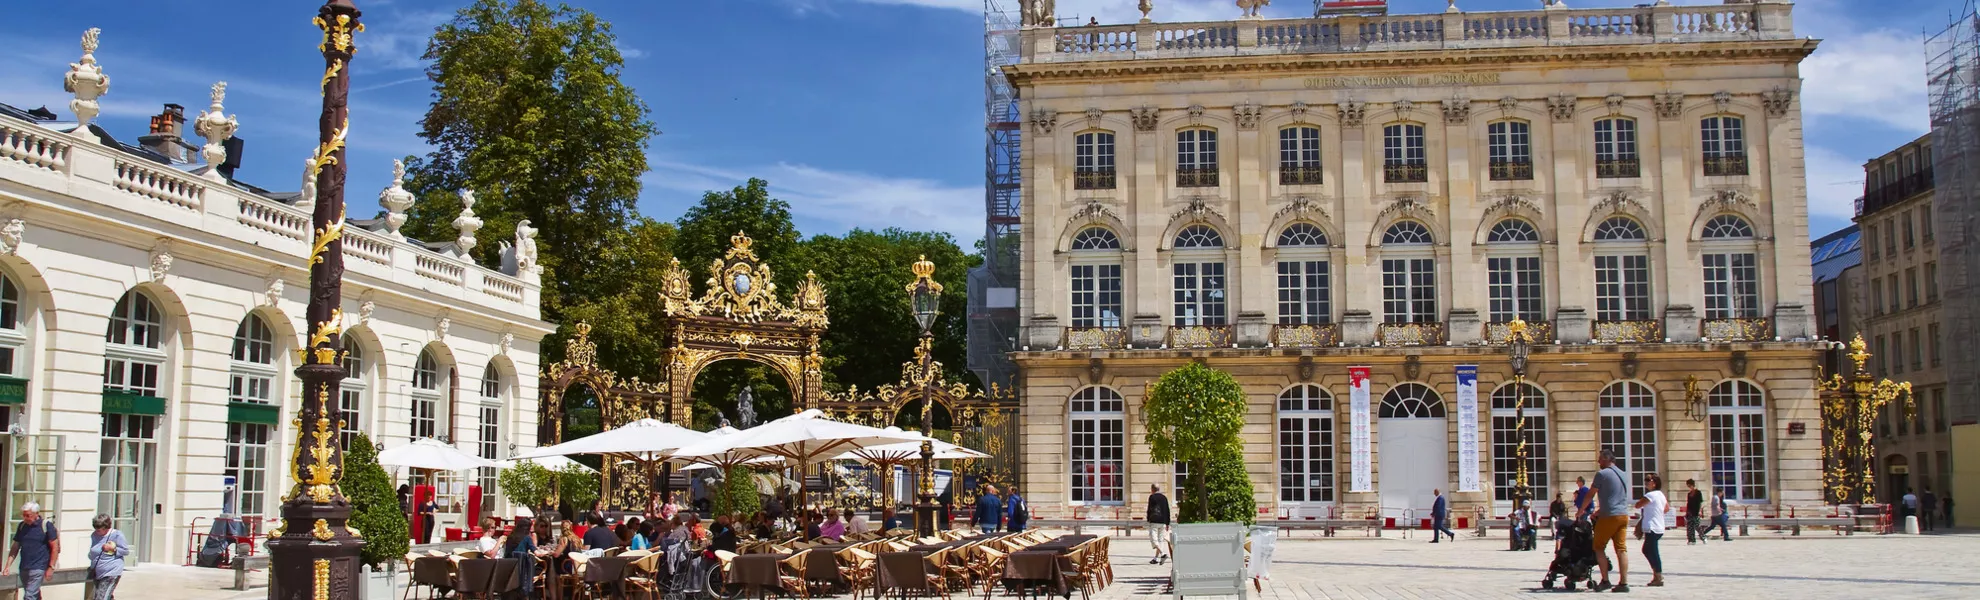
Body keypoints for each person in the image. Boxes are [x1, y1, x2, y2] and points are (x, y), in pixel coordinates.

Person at [1579, 449, 1632, 592]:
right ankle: (1623, 583)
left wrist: (1580, 511)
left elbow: (1590, 494)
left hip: (1609, 516)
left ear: (1607, 460)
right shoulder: (1623, 474)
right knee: (1621, 549)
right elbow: (1615, 496)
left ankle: (1605, 580)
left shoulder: (1602, 474)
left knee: (1598, 547)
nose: (1598, 462)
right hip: (1623, 515)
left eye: (1600, 459)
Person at [4, 502, 59, 600]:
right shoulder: (22, 526)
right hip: (24, 567)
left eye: (28, 515)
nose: (25, 518)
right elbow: (15, 547)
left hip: (39, 567)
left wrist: (51, 567)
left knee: (29, 596)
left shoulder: (46, 525)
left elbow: (55, 547)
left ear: (36, 514)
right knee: (34, 594)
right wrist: (7, 566)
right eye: (24, 515)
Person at [1634, 474, 1668, 587]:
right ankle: (1656, 574)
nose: (1646, 482)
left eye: (1649, 480)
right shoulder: (1661, 495)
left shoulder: (1650, 495)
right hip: (1658, 526)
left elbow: (1638, 505)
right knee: (1648, 550)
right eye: (1646, 480)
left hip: (1652, 527)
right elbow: (1666, 508)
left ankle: (1658, 575)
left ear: (1655, 483)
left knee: (1651, 551)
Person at [87, 513, 126, 600]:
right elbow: (94, 549)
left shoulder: (117, 535)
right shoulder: (94, 535)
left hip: (111, 571)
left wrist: (113, 549)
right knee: (104, 595)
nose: (97, 531)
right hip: (98, 571)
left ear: (106, 527)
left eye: (99, 529)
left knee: (101, 597)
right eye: (95, 528)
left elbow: (125, 551)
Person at [504, 517, 538, 598]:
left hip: (509, 568)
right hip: (523, 571)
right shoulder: (527, 538)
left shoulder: (510, 537)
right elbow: (536, 552)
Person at [1146, 484, 1172, 565]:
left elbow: (1149, 509)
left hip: (1154, 520)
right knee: (1160, 540)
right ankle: (1156, 558)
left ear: (1152, 489)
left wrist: (1148, 519)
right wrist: (1168, 522)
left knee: (1154, 540)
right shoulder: (1164, 497)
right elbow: (1167, 510)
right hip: (1163, 521)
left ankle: (1163, 554)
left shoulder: (1152, 497)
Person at [1684, 479, 1705, 545]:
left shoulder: (1698, 492)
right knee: (1689, 527)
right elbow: (1688, 504)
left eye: (1689, 485)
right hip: (1690, 512)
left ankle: (1703, 537)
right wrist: (1687, 512)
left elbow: (1700, 502)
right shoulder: (1689, 494)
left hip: (1696, 512)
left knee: (1697, 526)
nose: (1689, 487)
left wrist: (1700, 511)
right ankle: (1691, 540)